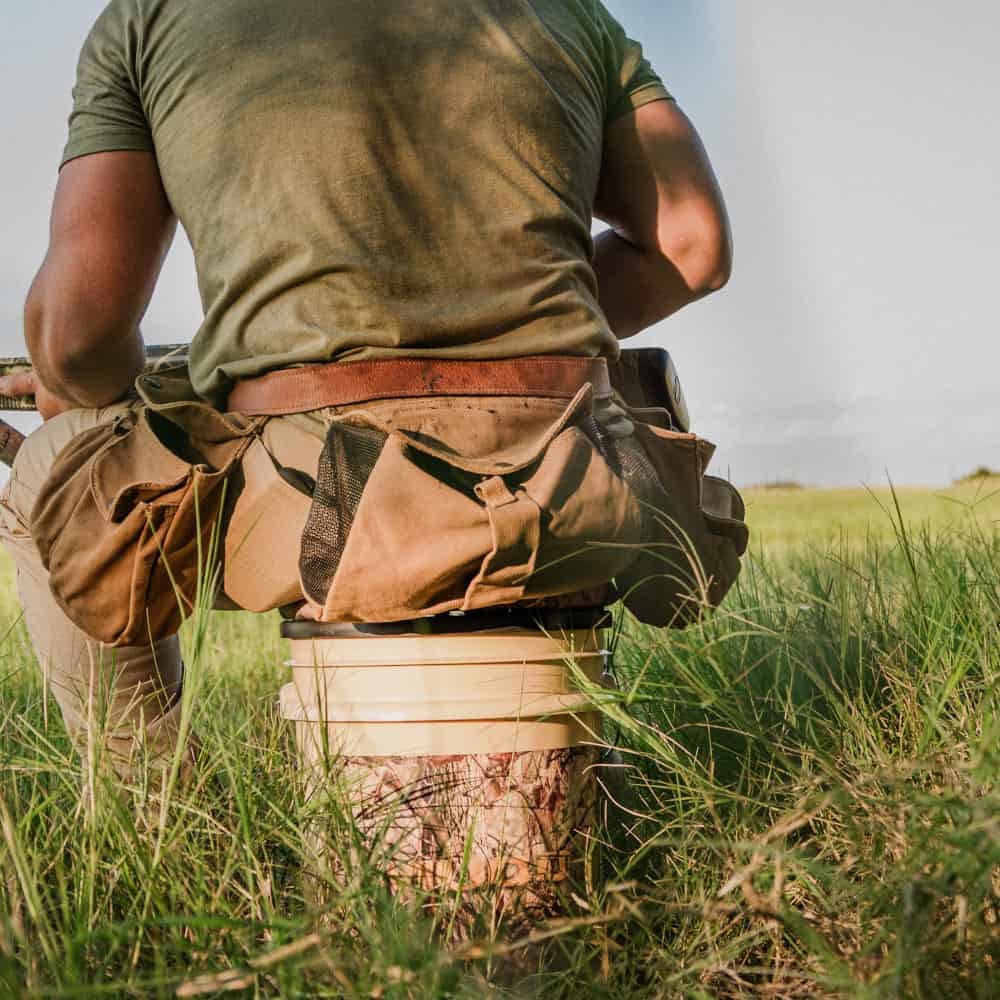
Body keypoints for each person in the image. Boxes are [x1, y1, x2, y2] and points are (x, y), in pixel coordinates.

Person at [0, 0, 731, 781]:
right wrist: (502, 334)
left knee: (51, 471)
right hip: (580, 481)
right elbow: (692, 245)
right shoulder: (571, 10)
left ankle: (160, 817)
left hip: (334, 499)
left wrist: (93, 399)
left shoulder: (149, 18)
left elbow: (76, 339)